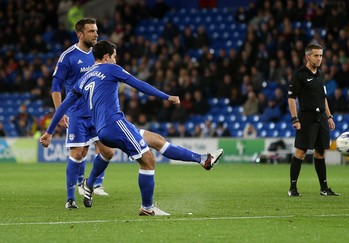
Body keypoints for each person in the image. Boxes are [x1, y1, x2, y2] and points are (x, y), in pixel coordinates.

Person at [41, 40, 224, 216]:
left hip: (104, 129)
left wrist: (49, 132)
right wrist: (167, 97)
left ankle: (203, 159)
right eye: (114, 56)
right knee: (148, 160)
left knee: (156, 140)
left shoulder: (84, 79)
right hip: (115, 125)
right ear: (106, 57)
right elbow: (139, 85)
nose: (115, 59)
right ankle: (147, 207)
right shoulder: (111, 68)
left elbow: (64, 106)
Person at [52, 18, 113, 209]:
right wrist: (59, 112)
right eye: (91, 31)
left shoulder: (98, 55)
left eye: (96, 31)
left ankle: (89, 183)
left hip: (97, 113)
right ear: (80, 34)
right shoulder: (68, 56)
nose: (96, 34)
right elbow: (55, 86)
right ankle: (70, 199)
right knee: (78, 153)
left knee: (108, 152)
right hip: (77, 113)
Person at [287, 43, 340, 197]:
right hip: (307, 117)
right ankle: (293, 188)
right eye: (316, 55)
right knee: (300, 152)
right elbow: (291, 98)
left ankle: (324, 189)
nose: (319, 58)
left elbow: (323, 98)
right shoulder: (299, 75)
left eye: (321, 55)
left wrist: (329, 116)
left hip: (321, 117)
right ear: (307, 56)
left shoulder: (320, 74)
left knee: (320, 152)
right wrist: (295, 119)